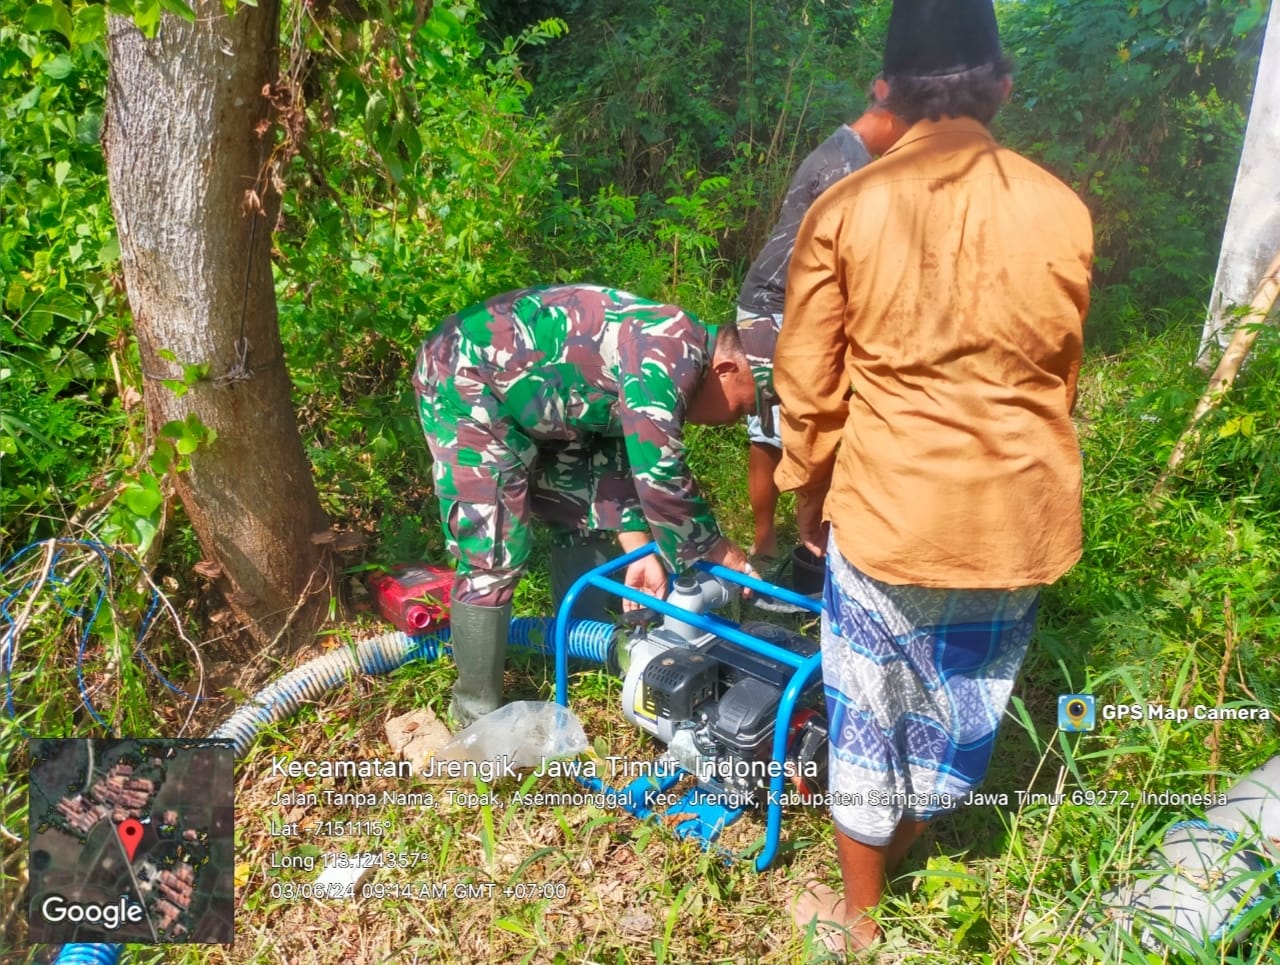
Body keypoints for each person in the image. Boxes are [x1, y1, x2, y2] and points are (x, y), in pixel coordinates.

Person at [774, 0, 1093, 951]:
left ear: (890, 92)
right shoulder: (1063, 207)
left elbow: (807, 382)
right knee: (966, 702)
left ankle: (862, 920)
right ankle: (923, 829)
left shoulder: (847, 206)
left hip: (889, 515)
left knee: (870, 716)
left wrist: (808, 494)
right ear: (1001, 86)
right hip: (1019, 519)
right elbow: (1059, 375)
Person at [413, 284, 777, 727]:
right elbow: (659, 471)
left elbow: (618, 449)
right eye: (742, 408)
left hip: (541, 404)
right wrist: (718, 550)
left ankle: (581, 649)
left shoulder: (678, 351)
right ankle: (473, 718)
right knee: (493, 550)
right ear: (725, 367)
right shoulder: (668, 353)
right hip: (466, 379)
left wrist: (636, 544)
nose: (733, 421)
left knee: (579, 513)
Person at [736, 101, 909, 562]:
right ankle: (768, 546)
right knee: (773, 427)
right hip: (774, 304)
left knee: (789, 422)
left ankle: (799, 539)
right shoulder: (847, 167)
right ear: (890, 115)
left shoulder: (845, 152)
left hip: (786, 302)